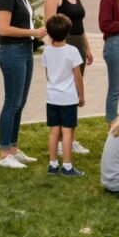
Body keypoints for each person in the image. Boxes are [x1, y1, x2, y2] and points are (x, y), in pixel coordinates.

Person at [0, 0, 47, 169]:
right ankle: (4, 153)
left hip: (24, 51)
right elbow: (3, 28)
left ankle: (13, 149)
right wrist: (33, 34)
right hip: (12, 52)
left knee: (20, 103)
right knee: (12, 102)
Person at [44, 0, 92, 155]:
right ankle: (63, 138)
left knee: (73, 93)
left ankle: (69, 138)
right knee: (63, 91)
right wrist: (54, 52)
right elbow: (49, 26)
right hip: (62, 47)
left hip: (77, 45)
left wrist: (87, 48)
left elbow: (80, 25)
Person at [43, 14, 85, 178]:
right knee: (68, 132)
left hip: (52, 98)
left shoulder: (47, 51)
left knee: (54, 131)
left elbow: (48, 74)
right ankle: (67, 166)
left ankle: (52, 164)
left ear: (49, 33)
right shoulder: (72, 51)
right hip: (68, 98)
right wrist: (81, 95)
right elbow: (78, 77)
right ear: (68, 32)